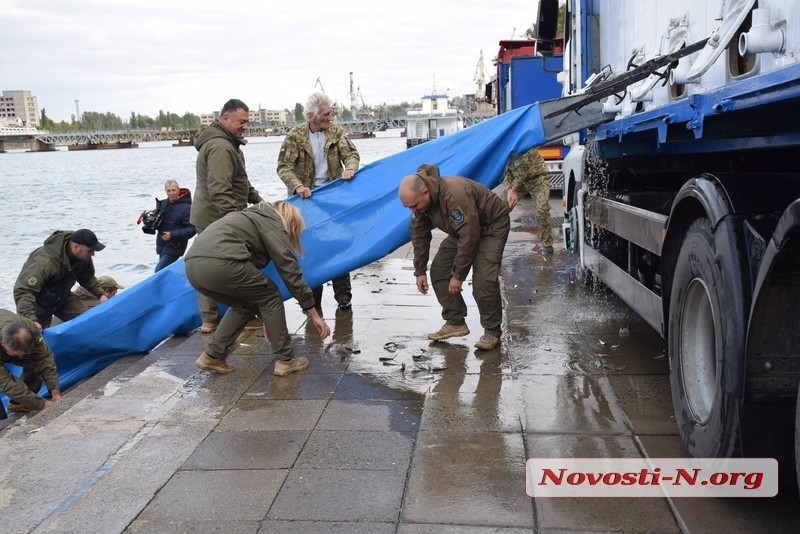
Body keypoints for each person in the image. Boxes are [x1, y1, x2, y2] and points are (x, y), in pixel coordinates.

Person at [184, 200, 330, 376]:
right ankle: (286, 360)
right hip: (221, 263)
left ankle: (212, 356)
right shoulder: (273, 224)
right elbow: (290, 272)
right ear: (290, 221)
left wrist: (269, 318)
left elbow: (254, 293)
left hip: (192, 267)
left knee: (246, 303)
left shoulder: (249, 217)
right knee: (271, 295)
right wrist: (314, 314)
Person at [398, 164, 511, 351]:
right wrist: (419, 271)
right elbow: (419, 236)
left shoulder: (453, 194)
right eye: (408, 207)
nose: (413, 211)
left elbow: (470, 236)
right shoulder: (419, 206)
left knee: (484, 281)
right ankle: (455, 321)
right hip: (463, 230)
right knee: (439, 270)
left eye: (415, 205)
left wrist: (458, 275)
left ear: (426, 192)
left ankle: (492, 331)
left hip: (491, 227)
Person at [277, 91, 361, 315]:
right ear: (312, 116)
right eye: (326, 114)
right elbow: (284, 167)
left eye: (331, 113)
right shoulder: (295, 136)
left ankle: (344, 297)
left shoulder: (336, 131)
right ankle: (312, 301)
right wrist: (297, 186)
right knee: (310, 251)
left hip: (332, 199)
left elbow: (351, 153)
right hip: (305, 201)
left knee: (338, 245)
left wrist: (351, 167)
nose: (330, 117)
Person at [191, 99, 265, 333]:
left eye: (247, 121)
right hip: (216, 217)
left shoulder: (228, 144)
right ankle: (228, 317)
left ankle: (212, 319)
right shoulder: (221, 147)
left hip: (214, 216)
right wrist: (235, 222)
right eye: (241, 121)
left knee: (208, 264)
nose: (245, 126)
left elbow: (240, 180)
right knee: (236, 264)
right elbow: (220, 189)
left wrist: (258, 200)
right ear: (225, 119)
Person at [14, 228, 108, 329]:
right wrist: (31, 320)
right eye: (90, 250)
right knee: (35, 337)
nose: (93, 254)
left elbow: (87, 278)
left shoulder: (84, 257)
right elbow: (24, 291)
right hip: (38, 305)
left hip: (62, 296)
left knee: (86, 321)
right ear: (76, 247)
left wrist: (100, 294)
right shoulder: (45, 262)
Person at [1, 309, 61, 417]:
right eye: (15, 354)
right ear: (3, 343)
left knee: (34, 361)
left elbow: (44, 359)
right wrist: (42, 404)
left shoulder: (30, 329)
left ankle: (18, 404)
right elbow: (7, 383)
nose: (20, 357)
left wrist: (55, 393)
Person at [503, 148, 554, 253]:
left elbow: (524, 169)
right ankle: (492, 239)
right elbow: (505, 171)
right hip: (519, 182)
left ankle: (547, 244)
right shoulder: (503, 147)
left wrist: (513, 189)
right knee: (500, 207)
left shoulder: (522, 144)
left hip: (538, 179)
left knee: (541, 209)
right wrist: (509, 189)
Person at [154, 179, 196, 272]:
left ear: (178, 190)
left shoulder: (187, 208)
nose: (171, 193)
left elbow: (192, 229)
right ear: (165, 191)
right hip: (162, 245)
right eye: (168, 191)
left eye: (173, 190)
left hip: (175, 246)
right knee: (165, 274)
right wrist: (149, 221)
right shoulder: (162, 204)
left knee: (158, 272)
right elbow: (157, 224)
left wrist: (172, 235)